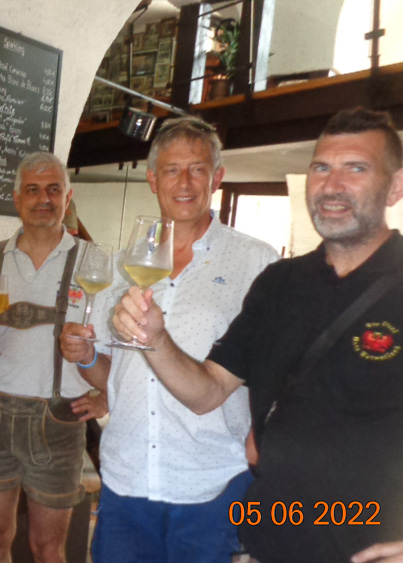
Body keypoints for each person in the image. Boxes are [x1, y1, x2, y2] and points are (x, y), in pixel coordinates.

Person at [113, 107, 403, 563]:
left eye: (356, 169)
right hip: (273, 542)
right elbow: (207, 392)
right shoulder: (279, 283)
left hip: (379, 549)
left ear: (397, 186)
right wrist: (155, 338)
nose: (332, 185)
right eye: (321, 168)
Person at [61, 117, 279, 563]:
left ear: (217, 178)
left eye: (197, 169)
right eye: (172, 170)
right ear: (152, 180)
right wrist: (85, 358)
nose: (184, 182)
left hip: (213, 482)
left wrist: (266, 436)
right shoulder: (123, 265)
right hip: (126, 478)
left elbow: (278, 368)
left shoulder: (256, 261)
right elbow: (113, 378)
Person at [0, 151, 94, 563]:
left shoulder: (93, 264)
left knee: (48, 548)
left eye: (53, 189)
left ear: (68, 196)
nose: (43, 199)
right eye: (32, 190)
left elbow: (119, 350)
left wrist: (107, 396)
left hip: (58, 421)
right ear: (16, 199)